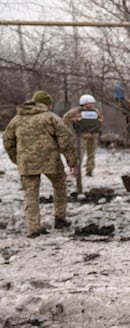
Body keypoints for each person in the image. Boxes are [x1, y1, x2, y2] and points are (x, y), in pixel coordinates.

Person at [3, 90, 78, 238]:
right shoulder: (51, 118)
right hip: (51, 161)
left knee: (30, 194)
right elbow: (66, 140)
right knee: (60, 186)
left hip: (27, 164)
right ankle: (60, 218)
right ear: (46, 104)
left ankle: (33, 228)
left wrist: (17, 160)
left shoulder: (17, 119)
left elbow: (7, 142)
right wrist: (72, 162)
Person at [63, 94, 103, 176]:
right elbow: (65, 118)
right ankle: (76, 171)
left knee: (91, 155)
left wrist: (98, 121)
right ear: (84, 103)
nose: (91, 105)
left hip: (93, 135)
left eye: (92, 103)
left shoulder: (95, 111)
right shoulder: (76, 111)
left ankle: (90, 170)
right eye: (89, 103)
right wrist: (75, 119)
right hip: (81, 136)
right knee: (79, 155)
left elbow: (101, 118)